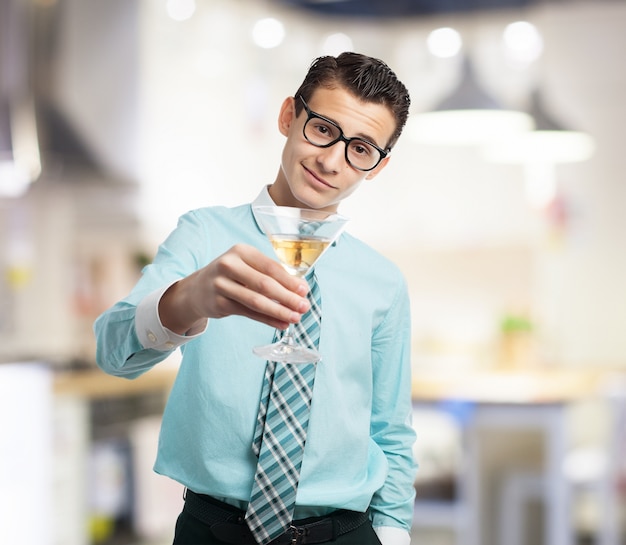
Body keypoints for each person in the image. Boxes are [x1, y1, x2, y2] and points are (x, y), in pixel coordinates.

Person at [94, 52, 417, 545]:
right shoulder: (204, 234)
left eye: (361, 149)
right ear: (289, 115)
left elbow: (391, 429)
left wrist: (394, 535)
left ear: (378, 166)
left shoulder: (383, 281)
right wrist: (188, 300)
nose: (332, 161)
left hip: (344, 532)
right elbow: (113, 355)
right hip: (213, 531)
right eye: (324, 129)